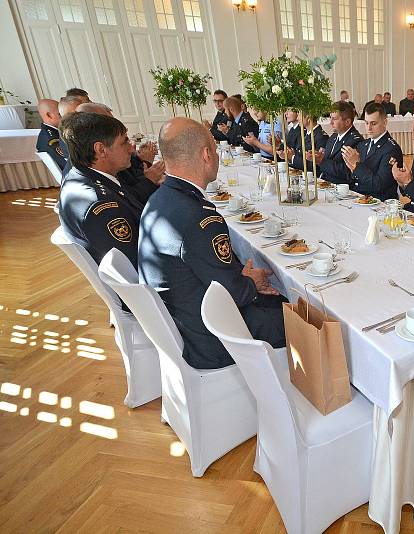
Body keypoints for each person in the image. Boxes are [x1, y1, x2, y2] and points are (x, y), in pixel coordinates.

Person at [138, 117, 286, 370]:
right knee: (306, 314)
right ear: (207, 154)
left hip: (186, 318)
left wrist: (244, 279)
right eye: (215, 151)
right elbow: (235, 292)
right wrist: (252, 281)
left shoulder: (161, 198)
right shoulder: (198, 216)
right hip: (212, 338)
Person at [58, 112, 142, 268]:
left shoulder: (80, 175)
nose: (132, 148)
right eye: (124, 142)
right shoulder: (101, 206)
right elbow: (135, 261)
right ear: (101, 150)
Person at [341, 101, 403, 201]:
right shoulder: (363, 144)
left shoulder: (391, 149)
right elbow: (353, 177)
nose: (369, 128)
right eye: (366, 123)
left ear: (385, 122)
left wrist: (356, 165)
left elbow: (379, 185)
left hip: (379, 202)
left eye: (373, 123)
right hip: (358, 197)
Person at [307, 102, 363, 184]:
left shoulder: (355, 141)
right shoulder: (333, 137)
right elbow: (327, 160)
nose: (331, 122)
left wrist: (322, 161)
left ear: (347, 122)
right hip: (326, 182)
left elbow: (348, 172)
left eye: (334, 119)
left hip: (341, 188)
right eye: (330, 118)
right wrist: (318, 156)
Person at [36, 98, 66, 170]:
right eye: (60, 114)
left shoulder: (52, 132)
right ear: (49, 115)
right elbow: (66, 163)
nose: (65, 116)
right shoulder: (52, 140)